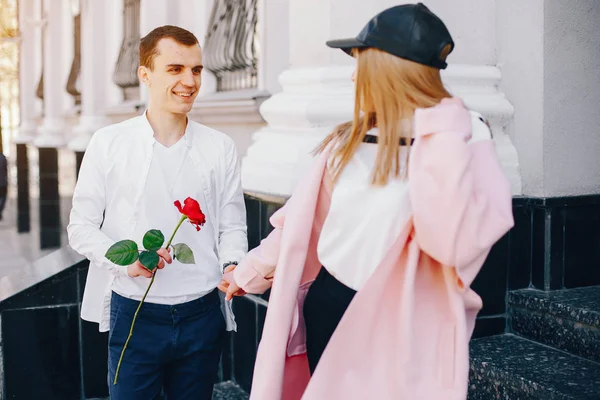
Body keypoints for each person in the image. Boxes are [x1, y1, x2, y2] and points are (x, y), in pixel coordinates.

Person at [220, 3, 514, 399]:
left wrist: (443, 121)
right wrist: (247, 273)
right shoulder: (350, 140)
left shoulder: (462, 135)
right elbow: (302, 223)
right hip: (332, 304)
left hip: (403, 320)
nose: (355, 72)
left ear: (387, 68)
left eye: (361, 60)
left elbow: (452, 242)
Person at [68, 25, 247, 400]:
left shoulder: (220, 147)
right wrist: (126, 263)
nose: (190, 81)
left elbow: (231, 226)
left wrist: (234, 265)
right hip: (134, 314)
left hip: (201, 314)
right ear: (145, 74)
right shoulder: (108, 143)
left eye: (196, 70)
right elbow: (81, 227)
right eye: (175, 69)